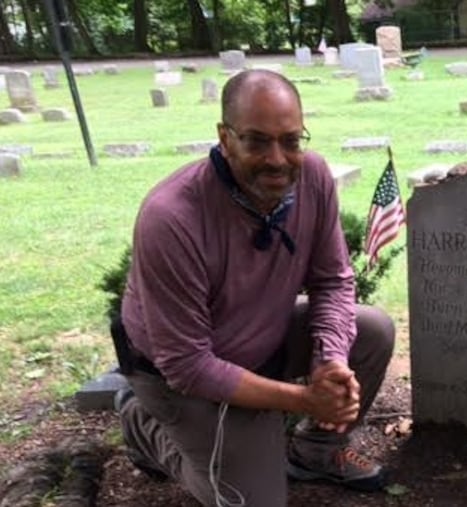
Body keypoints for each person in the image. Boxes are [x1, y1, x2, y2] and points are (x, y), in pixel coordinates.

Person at [114, 68, 395, 507]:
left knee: (373, 330)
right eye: (256, 141)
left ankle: (315, 453)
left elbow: (333, 280)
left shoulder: (314, 178)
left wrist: (329, 362)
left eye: (290, 140)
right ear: (225, 139)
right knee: (253, 501)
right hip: (178, 375)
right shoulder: (171, 217)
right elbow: (187, 365)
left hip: (262, 338)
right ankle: (143, 426)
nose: (278, 159)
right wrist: (305, 399)